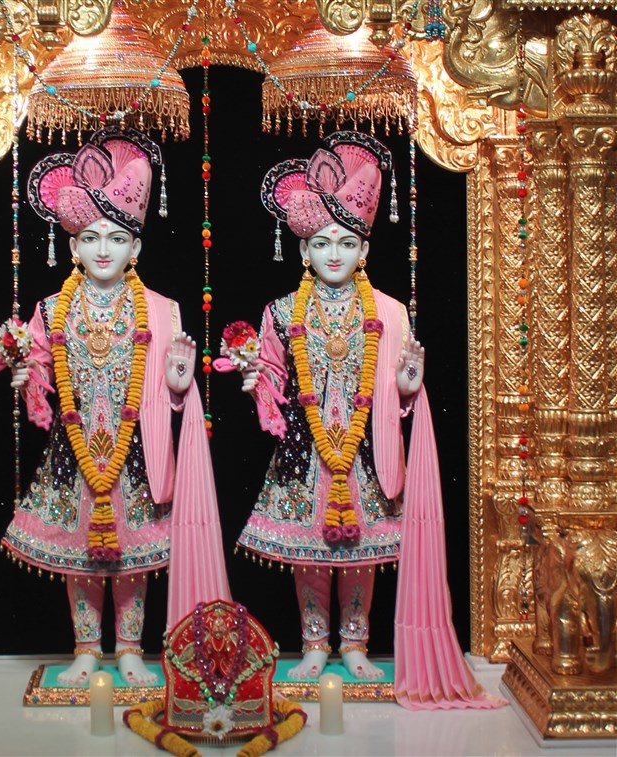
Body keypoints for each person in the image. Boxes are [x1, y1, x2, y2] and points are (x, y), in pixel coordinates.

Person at [0, 128, 230, 687]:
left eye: (117, 237)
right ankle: (85, 649)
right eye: (91, 237)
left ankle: (128, 649)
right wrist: (26, 379)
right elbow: (40, 375)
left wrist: (178, 386)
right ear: (73, 246)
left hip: (137, 449)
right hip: (74, 451)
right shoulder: (50, 308)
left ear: (135, 248)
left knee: (133, 554)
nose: (104, 249)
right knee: (80, 551)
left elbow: (175, 394)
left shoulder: (163, 310)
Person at [235, 132, 423, 682]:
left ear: (364, 250)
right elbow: (273, 372)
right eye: (321, 243)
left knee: (361, 552)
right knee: (309, 551)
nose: (334, 254)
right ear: (303, 251)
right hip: (305, 446)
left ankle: (356, 644)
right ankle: (315, 643)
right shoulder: (280, 311)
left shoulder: (390, 312)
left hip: (365, 446)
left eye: (345, 242)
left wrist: (407, 386)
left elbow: (397, 390)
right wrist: (256, 380)